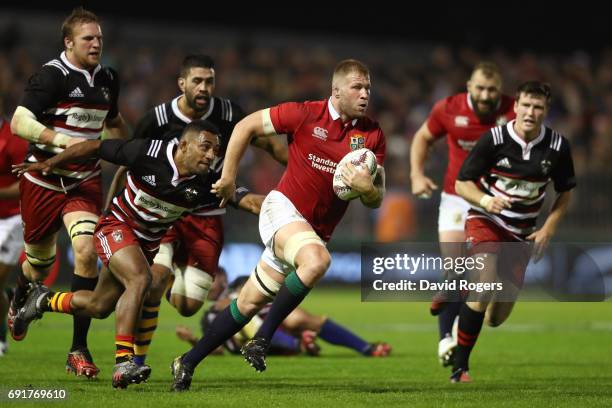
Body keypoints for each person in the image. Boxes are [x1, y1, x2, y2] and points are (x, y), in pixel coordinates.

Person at [170, 58, 386, 392]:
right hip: (282, 209)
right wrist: (228, 177)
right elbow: (245, 127)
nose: (364, 94)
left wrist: (367, 187)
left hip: (312, 232)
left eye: (368, 87)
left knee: (248, 303)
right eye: (357, 87)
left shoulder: (371, 135)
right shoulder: (304, 113)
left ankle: (187, 361)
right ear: (337, 90)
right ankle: (262, 338)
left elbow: (376, 199)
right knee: (317, 262)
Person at [13, 120, 258, 388]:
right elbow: (95, 147)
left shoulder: (207, 184)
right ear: (184, 145)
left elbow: (248, 201)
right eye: (205, 147)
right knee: (141, 279)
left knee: (99, 305)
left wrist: (282, 207)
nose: (211, 155)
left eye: (216, 151)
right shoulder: (148, 152)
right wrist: (51, 164)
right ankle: (124, 362)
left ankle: (43, 300)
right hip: (116, 227)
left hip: (145, 244)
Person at [102, 54, 287, 367]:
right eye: (197, 81)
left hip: (207, 215)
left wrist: (298, 166)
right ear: (182, 83)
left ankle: (174, 276)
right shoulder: (158, 118)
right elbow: (131, 157)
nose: (204, 87)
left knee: (188, 305)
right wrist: (115, 204)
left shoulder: (229, 113)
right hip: (166, 213)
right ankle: (134, 360)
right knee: (152, 281)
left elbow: (268, 144)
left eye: (209, 81)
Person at [8, 7, 129, 378]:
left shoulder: (108, 78)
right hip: (42, 182)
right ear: (69, 42)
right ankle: (20, 296)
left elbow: (113, 123)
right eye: (88, 39)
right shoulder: (52, 76)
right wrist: (63, 142)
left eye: (99, 38)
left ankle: (78, 348)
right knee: (39, 264)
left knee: (87, 249)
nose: (96, 44)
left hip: (83, 181)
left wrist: (134, 151)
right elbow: (19, 122)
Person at [452, 81, 576, 383]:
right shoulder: (494, 140)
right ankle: (460, 368)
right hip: (486, 220)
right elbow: (461, 183)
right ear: (516, 106)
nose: (531, 112)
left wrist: (547, 227)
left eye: (538, 107)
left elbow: (565, 192)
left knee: (496, 318)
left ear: (545, 111)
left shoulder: (558, 147)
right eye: (526, 105)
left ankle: (465, 312)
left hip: (522, 233)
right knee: (484, 281)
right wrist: (485, 200)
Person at [409, 62, 515, 366]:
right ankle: (446, 339)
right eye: (480, 88)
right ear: (469, 86)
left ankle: (458, 330)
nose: (485, 94)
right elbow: (422, 138)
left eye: (492, 89)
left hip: (495, 202)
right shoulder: (448, 108)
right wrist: (417, 174)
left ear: (500, 90)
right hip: (457, 197)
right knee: (455, 266)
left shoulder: (512, 111)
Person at [177, 272, 391, 357]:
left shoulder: (242, 284)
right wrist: (193, 340)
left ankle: (366, 347)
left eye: (210, 279)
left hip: (272, 326)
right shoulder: (208, 317)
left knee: (297, 317)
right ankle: (300, 344)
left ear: (223, 278)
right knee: (246, 324)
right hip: (249, 344)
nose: (205, 285)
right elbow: (217, 351)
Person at [0, 106, 29, 357]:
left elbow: (24, 182)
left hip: (10, 219)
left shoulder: (13, 138)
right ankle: (10, 296)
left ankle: (0, 340)